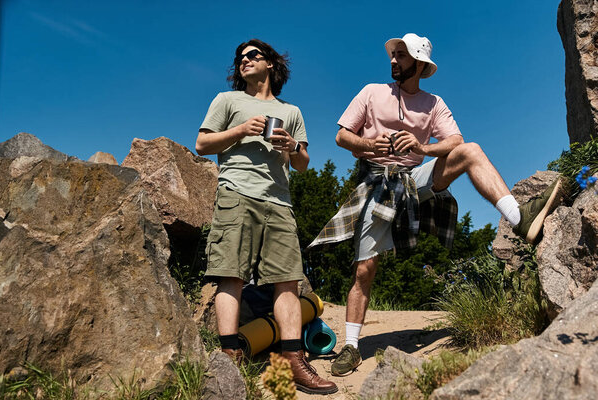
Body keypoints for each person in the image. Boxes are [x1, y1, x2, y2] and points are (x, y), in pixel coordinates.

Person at [307, 33, 563, 377]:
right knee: (364, 270)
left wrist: (421, 148)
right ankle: (352, 347)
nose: (393, 61)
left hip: (416, 178)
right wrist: (369, 144)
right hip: (377, 182)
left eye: (401, 56)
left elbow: (454, 140)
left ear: (418, 63)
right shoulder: (372, 92)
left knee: (470, 150)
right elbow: (341, 136)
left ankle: (519, 217)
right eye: (393, 55)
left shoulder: (434, 103)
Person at [195, 38, 338, 395]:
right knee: (231, 274)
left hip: (278, 200)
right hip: (235, 193)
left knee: (287, 279)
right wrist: (242, 130)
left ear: (270, 64)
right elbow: (202, 144)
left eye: (252, 56)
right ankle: (229, 355)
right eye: (240, 58)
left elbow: (304, 164)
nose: (244, 61)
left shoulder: (291, 111)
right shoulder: (227, 101)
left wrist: (292, 148)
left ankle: (292, 360)